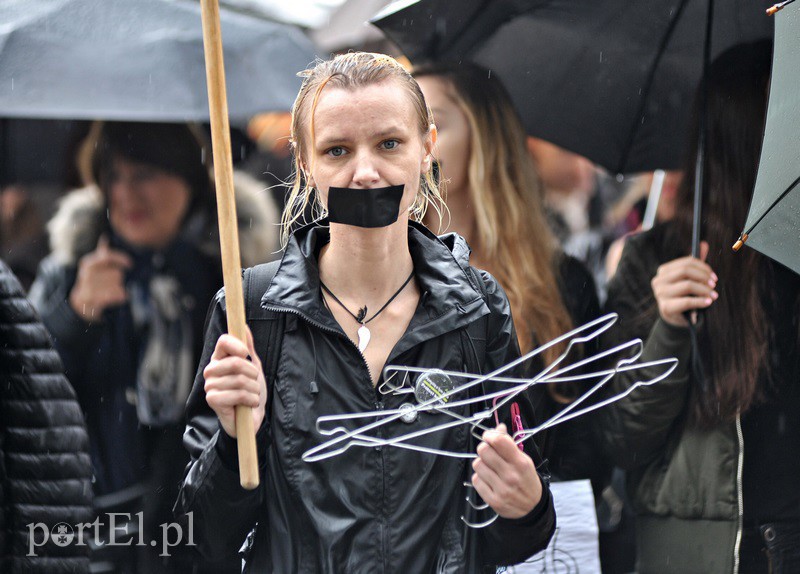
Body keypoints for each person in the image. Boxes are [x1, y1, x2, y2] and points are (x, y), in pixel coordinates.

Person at [176, 52, 556, 573]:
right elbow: (196, 543)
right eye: (337, 150)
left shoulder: (479, 308)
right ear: (306, 164)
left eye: (389, 144)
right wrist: (232, 440)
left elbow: (512, 537)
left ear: (427, 148)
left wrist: (526, 506)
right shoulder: (252, 312)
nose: (365, 172)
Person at [29, 121, 279, 573]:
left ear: (188, 180)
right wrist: (73, 316)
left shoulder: (230, 285)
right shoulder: (66, 274)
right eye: (113, 176)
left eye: (144, 174)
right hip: (93, 530)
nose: (125, 195)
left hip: (195, 532)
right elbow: (28, 401)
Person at [601, 41, 800, 573]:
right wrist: (668, 326)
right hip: (707, 551)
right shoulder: (657, 257)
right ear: (742, 129)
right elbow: (621, 437)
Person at [0, 258, 94, 573]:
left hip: (147, 496)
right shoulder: (61, 271)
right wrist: (75, 311)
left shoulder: (200, 268)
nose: (133, 205)